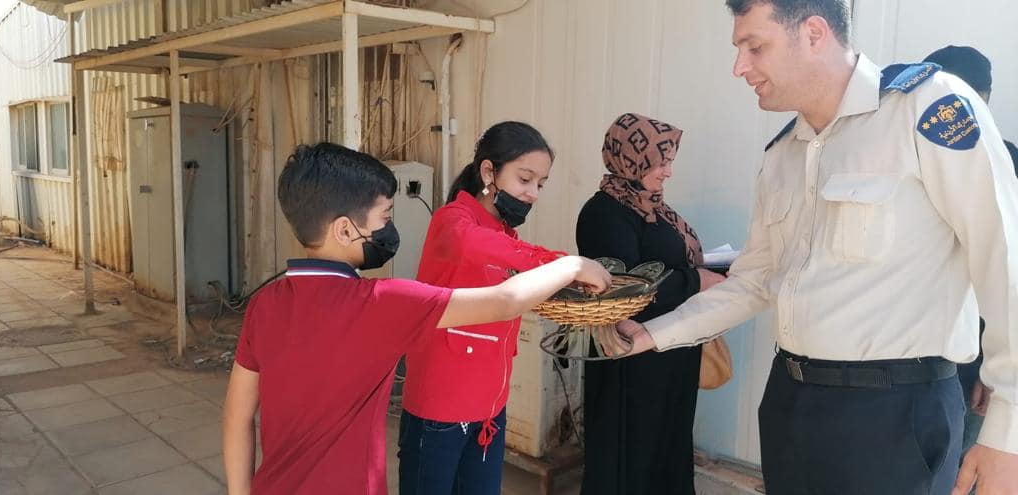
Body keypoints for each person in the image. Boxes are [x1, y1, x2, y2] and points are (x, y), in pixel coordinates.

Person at [615, 1, 1018, 494]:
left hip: (893, 416)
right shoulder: (783, 155)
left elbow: (1005, 257)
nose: (739, 67)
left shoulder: (926, 107)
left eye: (754, 47)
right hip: (790, 402)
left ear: (813, 33)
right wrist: (652, 334)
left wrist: (1008, 432)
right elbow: (755, 280)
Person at [221, 142, 612, 495]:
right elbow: (505, 301)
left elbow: (238, 418)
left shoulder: (263, 304)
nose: (389, 229)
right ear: (344, 229)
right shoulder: (381, 302)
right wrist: (573, 265)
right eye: (385, 216)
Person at [396, 121, 567, 494]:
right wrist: (566, 264)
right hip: (440, 406)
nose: (533, 193)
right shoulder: (453, 221)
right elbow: (477, 245)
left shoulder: (505, 234)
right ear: (489, 171)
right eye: (525, 179)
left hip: (489, 405)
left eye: (540, 184)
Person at [576, 113, 725, 495]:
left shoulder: (655, 211)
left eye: (670, 161)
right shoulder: (604, 212)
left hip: (672, 350)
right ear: (632, 158)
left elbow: (667, 264)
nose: (668, 172)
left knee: (667, 446)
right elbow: (623, 285)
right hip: (632, 357)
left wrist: (710, 272)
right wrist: (696, 280)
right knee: (633, 451)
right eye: (662, 162)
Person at [923, 44, 1018, 464]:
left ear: (984, 97)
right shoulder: (911, 156)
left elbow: (1006, 274)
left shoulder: (1008, 163)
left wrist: (993, 370)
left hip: (970, 355)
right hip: (911, 353)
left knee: (960, 468)